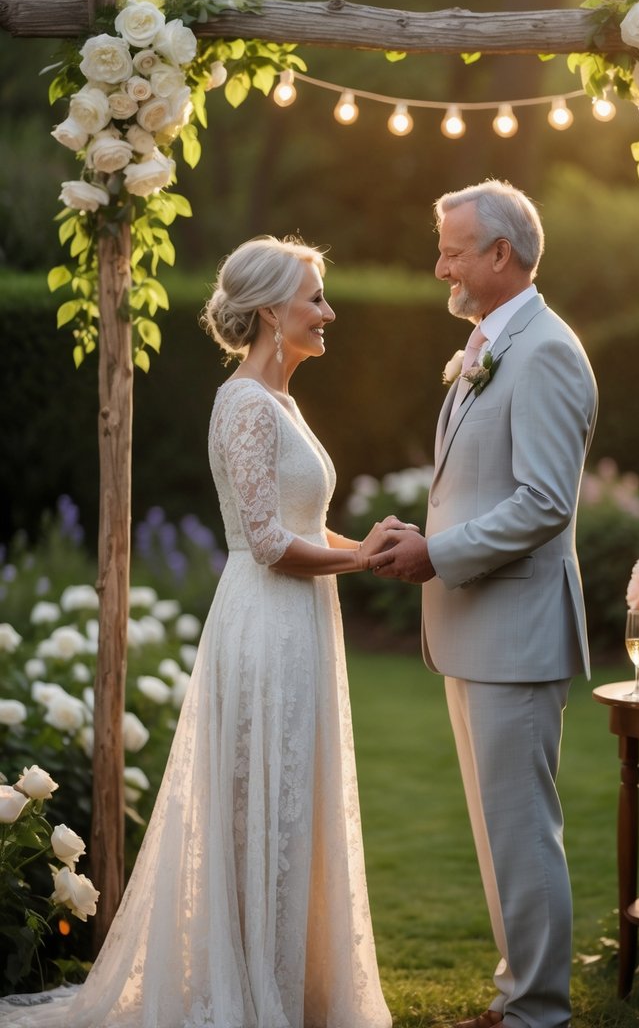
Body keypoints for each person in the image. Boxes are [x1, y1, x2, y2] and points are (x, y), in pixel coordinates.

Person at [1, 235, 404, 1028]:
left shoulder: (279, 400)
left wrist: (364, 544)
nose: (328, 312)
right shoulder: (246, 404)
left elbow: (295, 522)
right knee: (264, 800)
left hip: (299, 621)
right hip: (264, 623)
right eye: (313, 298)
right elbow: (265, 542)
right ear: (267, 313)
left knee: (294, 800)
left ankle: (291, 982)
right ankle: (251, 988)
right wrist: (362, 561)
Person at [374, 181, 598, 1028]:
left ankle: (536, 1011)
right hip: (474, 630)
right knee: (494, 830)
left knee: (522, 831)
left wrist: (438, 553)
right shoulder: (489, 341)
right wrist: (422, 527)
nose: (441, 266)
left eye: (454, 250)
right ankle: (517, 998)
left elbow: (545, 502)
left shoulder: (542, 350)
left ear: (500, 255)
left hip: (515, 631)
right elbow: (484, 485)